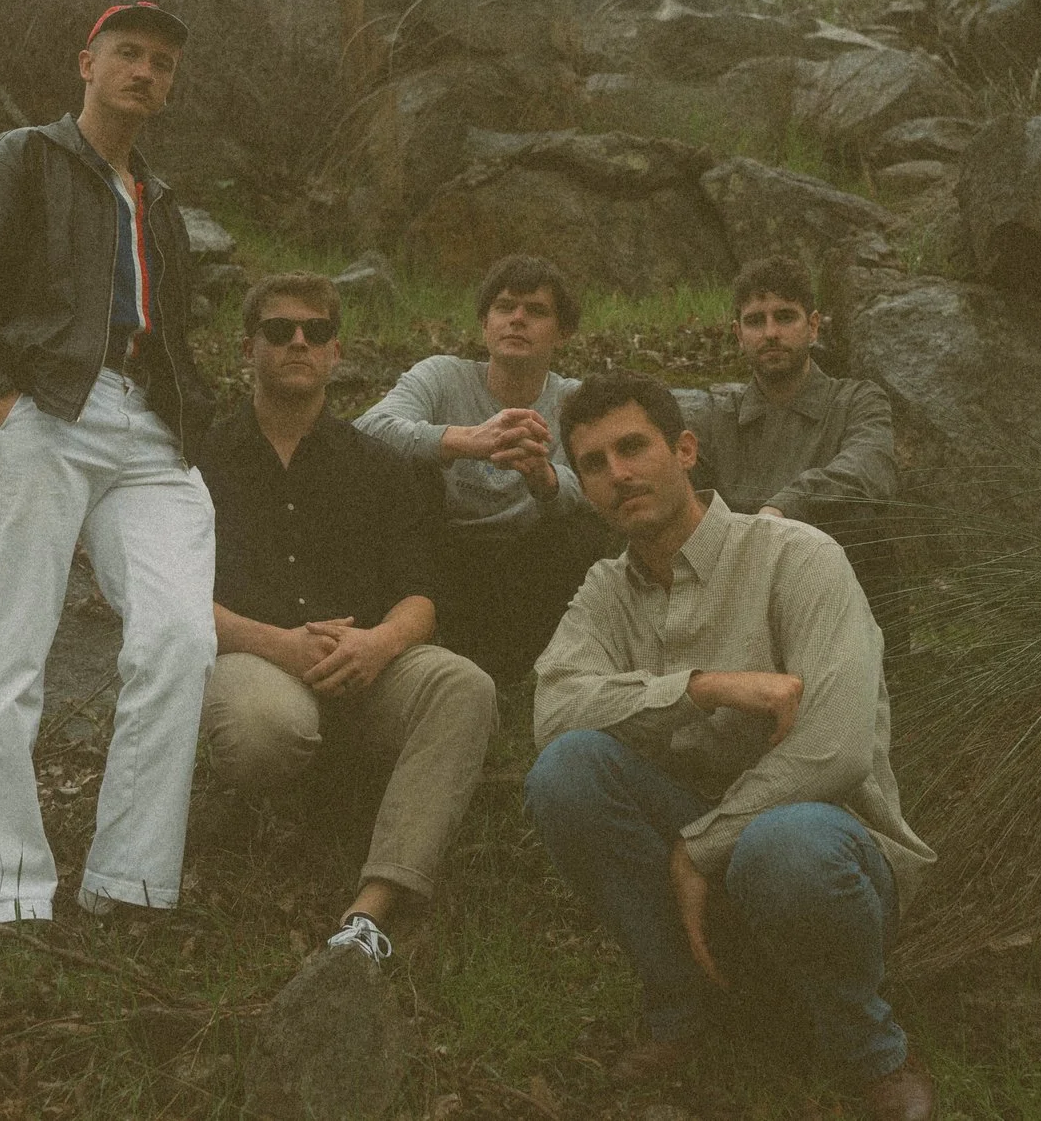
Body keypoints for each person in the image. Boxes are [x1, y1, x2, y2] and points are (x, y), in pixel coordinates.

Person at [525, 371, 937, 1120]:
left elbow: (837, 749)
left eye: (633, 447)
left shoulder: (797, 555)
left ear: (685, 450)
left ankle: (868, 1044)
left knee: (784, 843)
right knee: (567, 770)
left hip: (824, 859)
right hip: (696, 865)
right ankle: (683, 1005)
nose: (618, 473)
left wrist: (699, 846)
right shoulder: (606, 592)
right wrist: (703, 687)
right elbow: (553, 711)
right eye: (593, 463)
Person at [0, 0, 219, 924]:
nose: (145, 72)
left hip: (148, 428)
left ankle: (129, 882)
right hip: (47, 410)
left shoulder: (160, 200)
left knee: (181, 637)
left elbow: (171, 330)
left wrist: (185, 414)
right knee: (14, 646)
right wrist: (1, 400)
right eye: (129, 53)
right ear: (87, 62)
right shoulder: (24, 158)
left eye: (162, 62)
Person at [199, 271, 498, 964]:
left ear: (337, 351)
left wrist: (379, 643)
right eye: (279, 330)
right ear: (248, 348)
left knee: (465, 687)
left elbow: (423, 593)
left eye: (317, 331)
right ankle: (304, 799)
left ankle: (376, 903)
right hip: (255, 658)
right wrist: (281, 644)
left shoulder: (379, 464)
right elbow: (172, 598)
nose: (298, 342)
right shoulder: (201, 462)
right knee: (266, 729)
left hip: (366, 664)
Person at [354, 254, 608, 677]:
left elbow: (604, 484)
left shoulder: (574, 401)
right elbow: (365, 430)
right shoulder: (442, 376)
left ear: (562, 333)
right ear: (484, 324)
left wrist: (545, 479)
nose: (517, 319)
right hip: (439, 550)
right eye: (505, 307)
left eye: (536, 311)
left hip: (529, 560)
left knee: (582, 524)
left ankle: (556, 658)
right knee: (410, 469)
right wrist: (465, 440)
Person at [690, 256, 899, 544]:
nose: (771, 333)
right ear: (738, 335)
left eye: (785, 317)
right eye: (755, 321)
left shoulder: (857, 401)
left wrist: (785, 507)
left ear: (813, 326)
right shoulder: (714, 420)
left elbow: (871, 467)